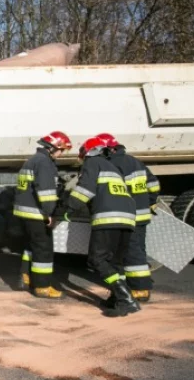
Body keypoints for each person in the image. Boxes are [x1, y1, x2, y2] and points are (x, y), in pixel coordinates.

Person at [59, 136, 140, 316]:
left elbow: (85, 191)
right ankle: (116, 299)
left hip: (107, 218)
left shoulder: (92, 163)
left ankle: (126, 299)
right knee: (116, 262)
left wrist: (68, 208)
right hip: (128, 218)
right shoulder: (113, 167)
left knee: (97, 260)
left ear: (88, 152)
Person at [98, 132, 160, 303]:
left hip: (128, 216)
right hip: (142, 214)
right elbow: (153, 184)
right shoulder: (135, 161)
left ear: (107, 150)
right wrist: (150, 201)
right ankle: (139, 284)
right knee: (139, 249)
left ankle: (140, 289)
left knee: (132, 253)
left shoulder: (112, 164)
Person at [12, 132, 72, 299]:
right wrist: (50, 213)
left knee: (31, 246)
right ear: (53, 147)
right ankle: (42, 287)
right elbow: (46, 193)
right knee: (43, 250)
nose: (61, 154)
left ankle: (25, 277)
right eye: (61, 150)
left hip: (25, 212)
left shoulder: (32, 160)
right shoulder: (45, 163)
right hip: (37, 213)